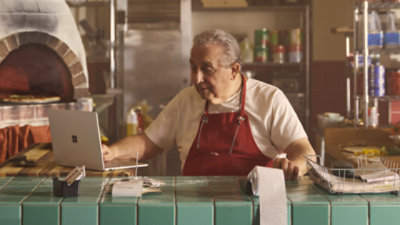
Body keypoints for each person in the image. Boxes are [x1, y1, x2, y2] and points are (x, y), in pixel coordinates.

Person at [103, 29, 316, 179]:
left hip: (254, 207)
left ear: (234, 70)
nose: (196, 78)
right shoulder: (185, 100)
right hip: (196, 207)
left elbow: (305, 151)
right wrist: (111, 152)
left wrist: (295, 165)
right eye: (193, 67)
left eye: (207, 69)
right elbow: (147, 143)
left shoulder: (268, 98)